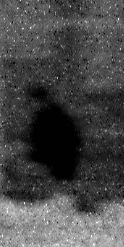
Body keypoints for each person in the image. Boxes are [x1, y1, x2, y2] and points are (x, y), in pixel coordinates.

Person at [24, 82, 91, 212]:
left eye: (32, 102)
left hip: (58, 160)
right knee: (67, 187)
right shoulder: (52, 116)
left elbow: (49, 144)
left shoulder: (49, 119)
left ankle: (79, 205)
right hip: (61, 159)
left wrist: (36, 158)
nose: (31, 106)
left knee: (65, 187)